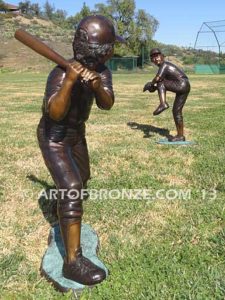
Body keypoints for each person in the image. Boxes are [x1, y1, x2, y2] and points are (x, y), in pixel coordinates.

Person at [37, 15, 124, 285]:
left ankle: (61, 206)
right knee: (73, 186)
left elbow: (107, 104)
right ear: (102, 50)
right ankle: (72, 262)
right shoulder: (60, 73)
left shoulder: (103, 72)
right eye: (111, 47)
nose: (113, 51)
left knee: (82, 178)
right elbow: (54, 112)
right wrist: (70, 82)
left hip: (77, 135)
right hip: (54, 136)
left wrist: (97, 86)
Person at [143, 48, 191, 142]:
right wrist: (153, 87)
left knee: (161, 82)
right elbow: (160, 85)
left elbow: (158, 79)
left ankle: (163, 104)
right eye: (153, 57)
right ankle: (180, 136)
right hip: (185, 86)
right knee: (176, 112)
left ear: (162, 56)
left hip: (181, 84)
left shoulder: (164, 65)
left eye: (157, 56)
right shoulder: (164, 66)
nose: (156, 59)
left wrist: (151, 84)